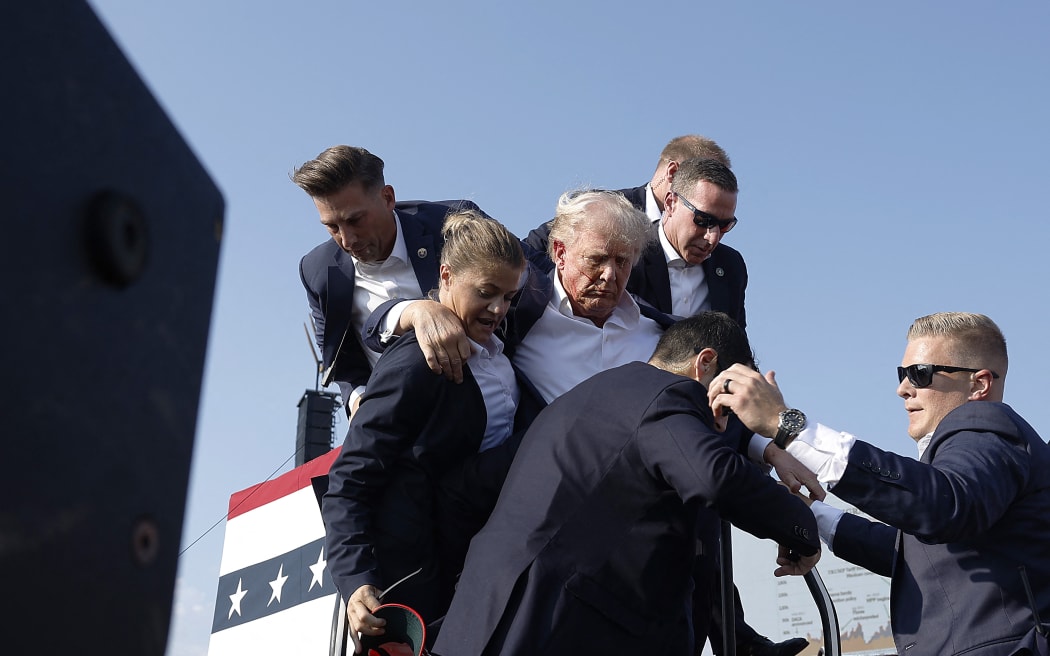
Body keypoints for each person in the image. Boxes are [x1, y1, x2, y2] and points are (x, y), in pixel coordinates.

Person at [431, 313, 821, 656]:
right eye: (728, 405)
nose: (724, 424)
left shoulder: (590, 396)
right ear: (705, 365)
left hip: (481, 619)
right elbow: (715, 477)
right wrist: (801, 527)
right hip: (561, 627)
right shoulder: (670, 397)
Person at [709, 312, 1050, 656]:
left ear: (979, 384)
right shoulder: (978, 468)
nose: (903, 389)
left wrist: (787, 425)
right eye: (903, 374)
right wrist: (812, 514)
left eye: (921, 374)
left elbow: (944, 505)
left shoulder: (988, 425)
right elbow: (913, 554)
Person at [321, 210, 545, 654]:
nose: (499, 309)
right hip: (415, 597)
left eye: (509, 297)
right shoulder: (415, 363)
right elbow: (349, 483)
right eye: (486, 293)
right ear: (446, 275)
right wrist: (357, 582)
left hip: (474, 581)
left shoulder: (500, 356)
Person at [293, 144, 485, 416]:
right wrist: (359, 400)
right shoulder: (317, 270)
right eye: (332, 227)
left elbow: (521, 284)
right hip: (406, 429)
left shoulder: (454, 225)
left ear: (387, 198)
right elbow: (341, 360)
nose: (347, 240)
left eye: (355, 220)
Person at [525, 135, 747, 328]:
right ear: (674, 175)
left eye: (725, 225)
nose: (712, 236)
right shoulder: (600, 211)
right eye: (702, 219)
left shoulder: (729, 266)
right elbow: (529, 252)